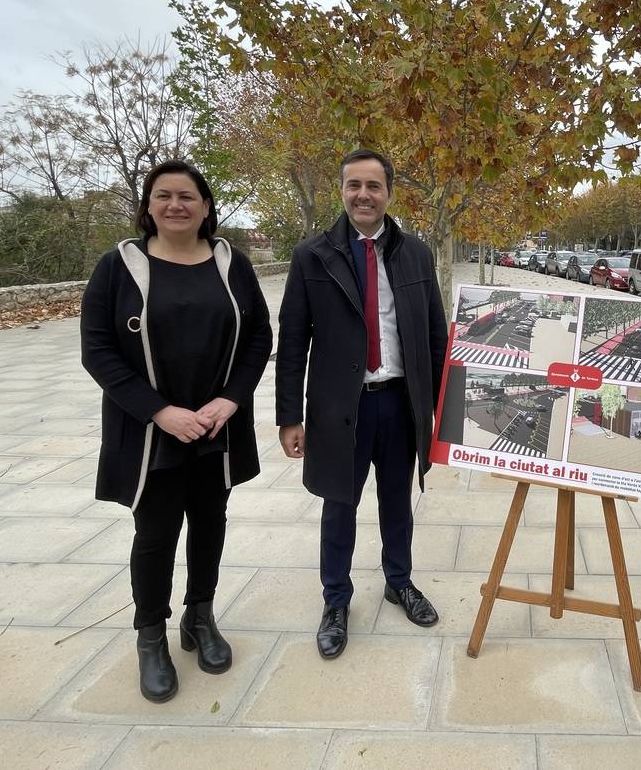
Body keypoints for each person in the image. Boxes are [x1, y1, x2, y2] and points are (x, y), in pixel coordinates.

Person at [81, 159, 272, 703]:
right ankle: (150, 637)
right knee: (156, 533)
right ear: (148, 207)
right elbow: (97, 350)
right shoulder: (118, 267)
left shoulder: (232, 264)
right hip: (152, 432)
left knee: (211, 522)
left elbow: (259, 338)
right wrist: (159, 411)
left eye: (187, 196)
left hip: (215, 426)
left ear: (206, 206)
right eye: (163, 195)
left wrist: (230, 399)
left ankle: (200, 617)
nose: (175, 205)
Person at [277, 148, 448, 659]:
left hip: (400, 403)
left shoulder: (416, 252)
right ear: (342, 191)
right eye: (354, 185)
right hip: (340, 408)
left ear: (389, 192)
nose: (363, 195)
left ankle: (400, 581)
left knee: (398, 503)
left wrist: (445, 407)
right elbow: (291, 342)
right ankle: (336, 600)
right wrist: (290, 416)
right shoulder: (313, 255)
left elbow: (436, 335)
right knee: (340, 505)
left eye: (373, 186)